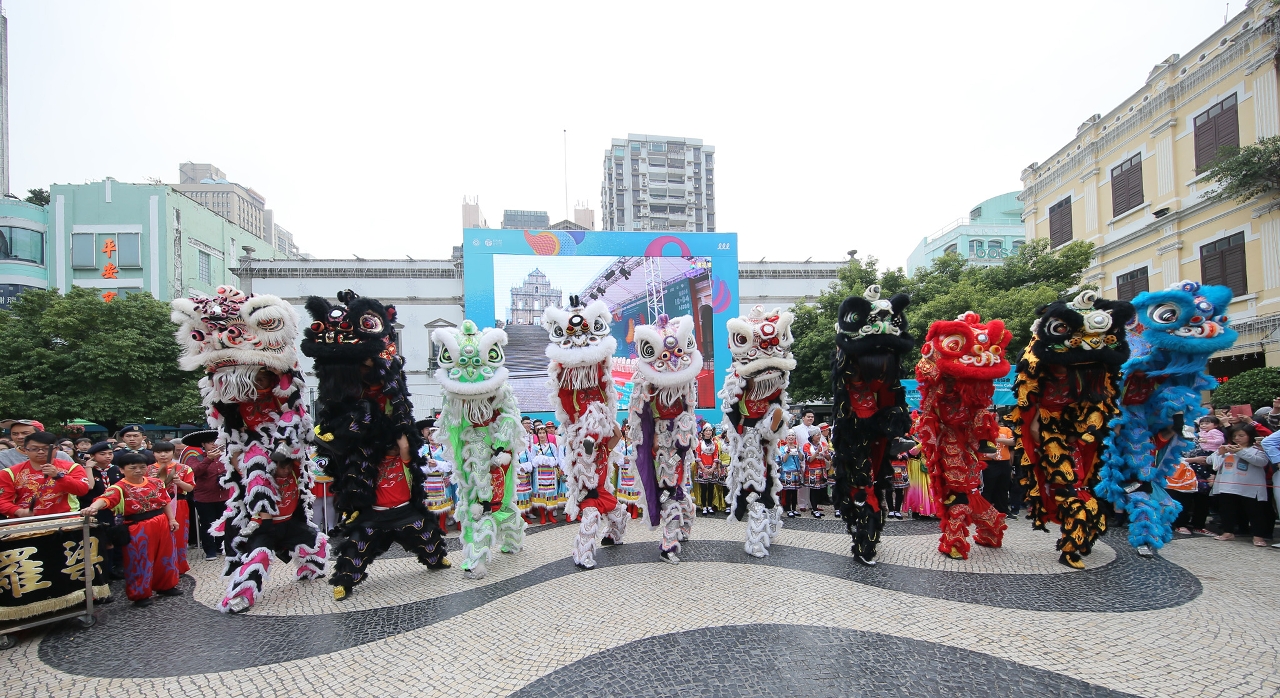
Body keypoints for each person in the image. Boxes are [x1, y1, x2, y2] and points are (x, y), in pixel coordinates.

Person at [83, 452, 181, 607]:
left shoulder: (155, 482)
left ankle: (166, 586)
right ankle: (140, 593)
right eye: (133, 467)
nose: (138, 470)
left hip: (161, 522)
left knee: (166, 555)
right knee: (139, 559)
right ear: (122, 469)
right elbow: (105, 499)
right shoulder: (119, 487)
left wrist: (172, 519)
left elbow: (165, 501)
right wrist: (92, 508)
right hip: (137, 526)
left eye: (142, 467)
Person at [0, 431, 90, 518]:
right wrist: (18, 511)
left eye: (46, 448)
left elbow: (82, 490)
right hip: (25, 522)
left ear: (57, 449)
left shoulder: (72, 467)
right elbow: (2, 500)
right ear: (25, 450)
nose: (41, 452)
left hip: (64, 519)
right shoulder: (9, 473)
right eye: (34, 449)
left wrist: (59, 476)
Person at [1210, 425, 1274, 547]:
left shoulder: (1257, 449)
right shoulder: (1227, 448)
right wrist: (1220, 453)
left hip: (1250, 486)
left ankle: (1258, 535)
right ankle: (1228, 532)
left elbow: (1261, 462)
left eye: (1241, 435)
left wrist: (1240, 451)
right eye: (1234, 436)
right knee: (1227, 509)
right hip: (1227, 485)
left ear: (1249, 436)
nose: (1237, 438)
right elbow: (1210, 461)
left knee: (1255, 511)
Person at [183, 430, 229, 561]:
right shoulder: (195, 458)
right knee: (207, 524)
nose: (214, 445)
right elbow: (194, 472)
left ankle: (221, 547)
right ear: (203, 444)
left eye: (216, 442)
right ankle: (210, 550)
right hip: (204, 498)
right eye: (210, 443)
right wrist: (208, 459)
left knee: (223, 522)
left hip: (224, 495)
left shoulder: (226, 457)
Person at [149, 440, 195, 574]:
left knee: (179, 535)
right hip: (156, 505)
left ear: (173, 452)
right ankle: (160, 567)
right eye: (159, 452)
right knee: (160, 536)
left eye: (167, 451)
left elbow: (190, 488)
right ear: (153, 454)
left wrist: (178, 481)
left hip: (179, 503)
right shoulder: (148, 469)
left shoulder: (184, 468)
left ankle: (179, 567)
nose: (163, 455)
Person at [0, 419, 76, 468]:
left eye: (25, 433)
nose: (19, 437)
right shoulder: (3, 457)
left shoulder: (60, 455)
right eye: (15, 434)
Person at [981, 411, 1015, 517]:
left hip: (1004, 462)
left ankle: (1003, 509)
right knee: (988, 487)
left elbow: (1013, 441)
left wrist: (998, 439)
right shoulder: (983, 431)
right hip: (989, 462)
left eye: (995, 417)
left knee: (1003, 487)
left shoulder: (1006, 430)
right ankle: (985, 510)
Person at [694, 423, 721, 515]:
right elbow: (698, 456)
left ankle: (710, 506)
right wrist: (703, 468)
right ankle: (704, 507)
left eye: (710, 430)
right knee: (703, 488)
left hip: (712, 468)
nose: (708, 432)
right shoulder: (699, 443)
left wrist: (713, 467)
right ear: (703, 432)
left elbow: (716, 456)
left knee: (711, 488)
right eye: (706, 430)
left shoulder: (715, 444)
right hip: (703, 468)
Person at [802, 430, 830, 518]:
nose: (819, 436)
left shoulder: (823, 444)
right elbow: (809, 459)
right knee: (813, 490)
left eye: (819, 435)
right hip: (812, 471)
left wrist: (825, 453)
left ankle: (816, 507)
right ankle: (814, 509)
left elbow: (829, 458)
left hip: (821, 469)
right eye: (817, 435)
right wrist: (817, 452)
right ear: (812, 436)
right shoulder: (807, 446)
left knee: (819, 490)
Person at [777, 432, 803, 517]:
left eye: (793, 435)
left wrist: (798, 450)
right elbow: (783, 460)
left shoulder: (798, 447)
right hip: (787, 472)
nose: (791, 437)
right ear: (786, 438)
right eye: (789, 435)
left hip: (796, 471)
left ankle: (794, 508)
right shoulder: (782, 448)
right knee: (788, 491)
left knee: (795, 491)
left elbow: (802, 458)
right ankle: (788, 509)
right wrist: (788, 452)